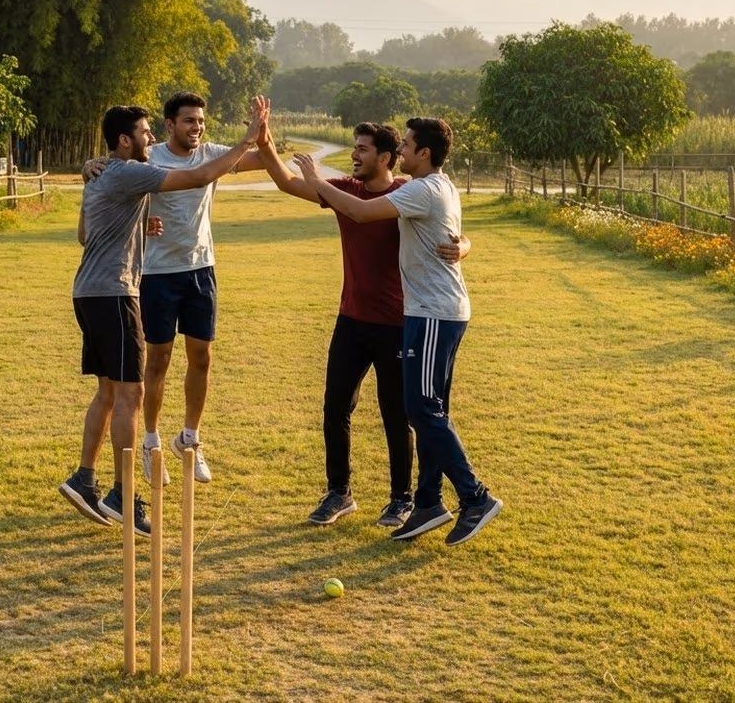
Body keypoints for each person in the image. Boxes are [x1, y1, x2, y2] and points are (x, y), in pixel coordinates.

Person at [60, 99, 266, 537]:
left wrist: (135, 226)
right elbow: (197, 176)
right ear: (124, 140)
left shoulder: (101, 176)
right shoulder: (130, 171)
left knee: (110, 394)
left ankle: (83, 478)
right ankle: (122, 494)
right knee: (131, 396)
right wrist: (248, 137)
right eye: (144, 132)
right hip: (116, 293)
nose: (149, 139)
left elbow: (84, 234)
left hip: (89, 292)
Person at [292, 117, 502, 546]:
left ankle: (474, 497)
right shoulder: (436, 187)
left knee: (423, 412)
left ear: (424, 153)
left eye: (406, 145)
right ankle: (427, 503)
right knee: (428, 411)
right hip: (435, 313)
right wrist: (465, 244)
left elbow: (361, 211)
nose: (401, 151)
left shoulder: (422, 189)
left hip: (432, 315)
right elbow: (452, 234)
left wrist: (315, 178)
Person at [256, 121, 469, 529]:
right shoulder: (347, 190)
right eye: (353, 147)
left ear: (386, 158)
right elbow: (285, 181)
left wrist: (464, 245)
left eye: (363, 149)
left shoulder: (408, 191)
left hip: (398, 322)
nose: (354, 154)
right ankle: (339, 493)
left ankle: (401, 500)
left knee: (397, 415)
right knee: (336, 408)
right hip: (351, 318)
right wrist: (264, 139)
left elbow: (450, 231)